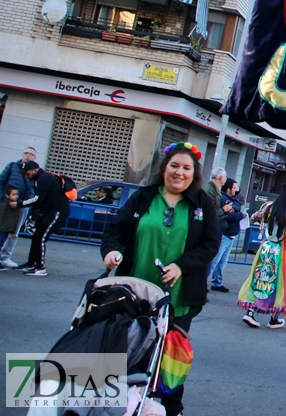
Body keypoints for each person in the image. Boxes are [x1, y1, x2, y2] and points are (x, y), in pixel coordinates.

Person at [100, 141, 221, 416]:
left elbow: (210, 244)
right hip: (134, 292)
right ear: (164, 169)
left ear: (195, 173)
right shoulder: (143, 198)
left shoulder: (202, 204)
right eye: (174, 166)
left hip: (178, 296)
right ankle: (124, 403)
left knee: (171, 357)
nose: (179, 172)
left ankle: (171, 406)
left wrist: (181, 266)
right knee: (129, 347)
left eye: (186, 168)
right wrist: (111, 251)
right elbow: (115, 230)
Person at [239, 184, 286, 329]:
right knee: (278, 283)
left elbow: (255, 217)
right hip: (282, 251)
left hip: (266, 247)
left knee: (260, 277)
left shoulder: (269, 208)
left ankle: (250, 311)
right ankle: (274, 317)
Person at [17, 161, 71, 276]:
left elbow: (37, 199)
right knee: (36, 236)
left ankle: (41, 267)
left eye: (27, 173)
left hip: (57, 211)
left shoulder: (44, 179)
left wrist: (20, 204)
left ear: (35, 170)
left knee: (41, 237)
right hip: (50, 211)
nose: (27, 176)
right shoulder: (41, 178)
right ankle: (32, 263)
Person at [0, 147, 35, 268]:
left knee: (14, 233)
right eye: (26, 153)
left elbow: (34, 189)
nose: (28, 156)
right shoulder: (12, 166)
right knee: (2, 229)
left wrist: (27, 200)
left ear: (34, 158)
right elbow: (1, 181)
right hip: (6, 204)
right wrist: (3, 198)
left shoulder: (33, 172)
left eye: (31, 154)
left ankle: (5, 257)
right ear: (22, 155)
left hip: (22, 205)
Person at [207, 178, 243, 292]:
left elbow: (237, 207)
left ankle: (217, 282)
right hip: (224, 233)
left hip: (231, 234)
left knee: (222, 262)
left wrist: (237, 211)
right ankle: (201, 283)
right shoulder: (223, 198)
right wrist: (241, 215)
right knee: (214, 261)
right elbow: (229, 216)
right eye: (234, 188)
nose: (236, 190)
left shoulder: (234, 198)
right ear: (228, 189)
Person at [0, 186, 22, 271]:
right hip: (2, 228)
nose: (16, 196)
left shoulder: (15, 205)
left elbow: (14, 220)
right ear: (7, 195)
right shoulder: (4, 204)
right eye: (13, 194)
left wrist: (12, 231)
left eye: (17, 194)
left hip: (6, 229)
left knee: (1, 244)